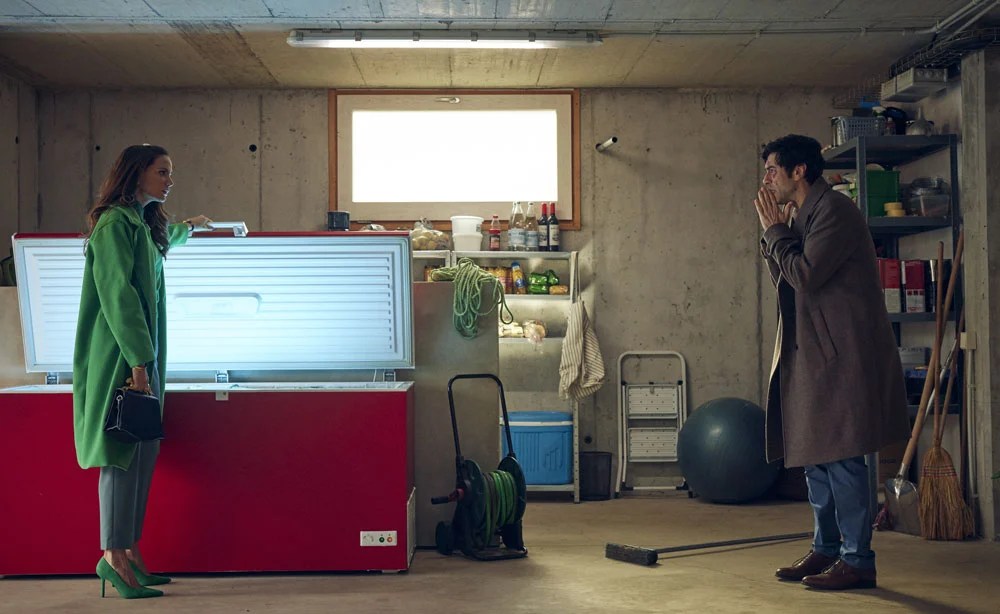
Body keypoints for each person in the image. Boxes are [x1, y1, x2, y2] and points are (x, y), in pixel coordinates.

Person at [754, 134, 908, 590]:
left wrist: (775, 232)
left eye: (772, 170)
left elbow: (805, 275)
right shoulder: (803, 214)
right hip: (814, 350)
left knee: (841, 455)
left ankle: (857, 559)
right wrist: (775, 234)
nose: (767, 179)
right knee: (815, 455)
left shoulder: (835, 211)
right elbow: (785, 278)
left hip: (841, 353)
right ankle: (826, 548)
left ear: (799, 171)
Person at [72, 144, 212, 599]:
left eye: (170, 172)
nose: (169, 180)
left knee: (143, 452)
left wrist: (189, 227)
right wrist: (137, 362)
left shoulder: (141, 223)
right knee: (121, 453)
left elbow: (159, 247)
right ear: (135, 174)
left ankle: (129, 550)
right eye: (162, 172)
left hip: (143, 355)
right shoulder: (114, 223)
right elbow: (119, 296)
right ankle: (112, 556)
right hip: (121, 355)